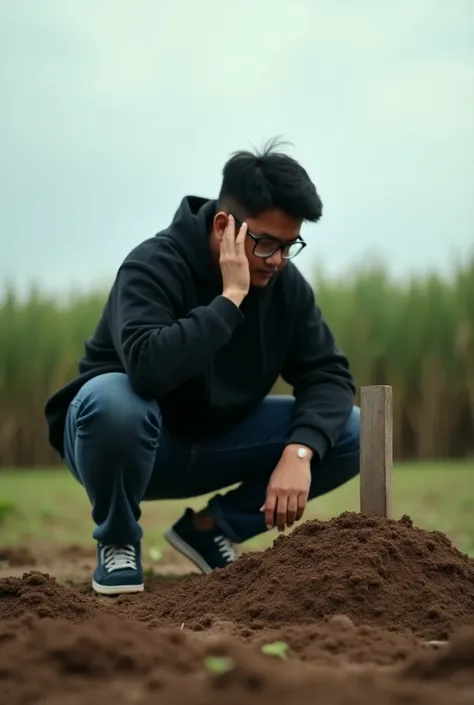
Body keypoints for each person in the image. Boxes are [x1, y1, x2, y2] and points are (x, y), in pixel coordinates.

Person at [44, 139, 360, 596]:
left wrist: (300, 452)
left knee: (350, 431)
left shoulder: (285, 286)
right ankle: (117, 540)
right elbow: (148, 371)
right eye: (266, 243)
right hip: (128, 443)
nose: (278, 261)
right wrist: (229, 301)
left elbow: (328, 374)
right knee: (111, 399)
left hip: (219, 443)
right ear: (222, 225)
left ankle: (213, 528)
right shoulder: (151, 266)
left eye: (290, 246)